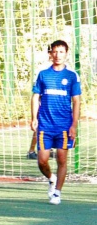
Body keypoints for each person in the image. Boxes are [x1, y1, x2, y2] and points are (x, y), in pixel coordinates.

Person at [31, 39, 80, 205]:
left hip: (64, 126)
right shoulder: (43, 74)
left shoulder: (72, 76)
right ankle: (51, 178)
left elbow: (77, 102)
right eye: (55, 51)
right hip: (45, 124)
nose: (58, 55)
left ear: (66, 54)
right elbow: (35, 96)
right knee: (42, 160)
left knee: (61, 158)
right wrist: (33, 118)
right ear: (50, 53)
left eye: (61, 52)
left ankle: (57, 192)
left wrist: (74, 125)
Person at [28, 45, 54, 160]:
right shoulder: (43, 69)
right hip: (43, 102)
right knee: (40, 126)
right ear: (49, 53)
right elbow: (37, 89)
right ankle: (31, 150)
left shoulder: (63, 68)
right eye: (52, 52)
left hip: (55, 103)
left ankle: (50, 148)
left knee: (53, 125)